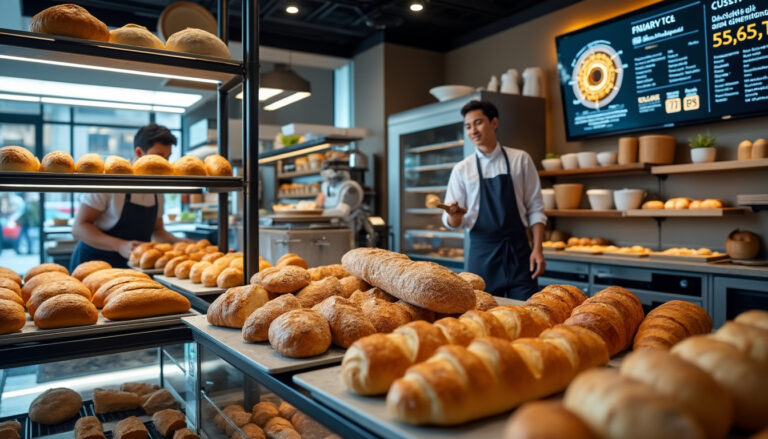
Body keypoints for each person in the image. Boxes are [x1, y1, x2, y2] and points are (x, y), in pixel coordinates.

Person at [442, 100, 547, 299]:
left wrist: (538, 249)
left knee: (527, 313)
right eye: (468, 126)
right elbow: (454, 222)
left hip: (519, 253)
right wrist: (453, 215)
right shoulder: (462, 169)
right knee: (481, 315)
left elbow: (536, 208)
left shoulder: (520, 159)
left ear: (494, 123)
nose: (473, 130)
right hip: (482, 255)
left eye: (478, 122)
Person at [69, 123, 185, 270]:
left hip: (132, 266)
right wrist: (119, 245)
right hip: (94, 263)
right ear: (138, 152)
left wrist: (183, 242)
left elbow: (158, 231)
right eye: (159, 157)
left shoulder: (156, 189)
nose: (163, 164)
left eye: (167, 158)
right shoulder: (112, 179)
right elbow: (79, 228)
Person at [315, 159, 376, 247]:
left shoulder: (350, 188)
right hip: (330, 230)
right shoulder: (325, 186)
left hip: (349, 230)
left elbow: (342, 212)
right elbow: (320, 204)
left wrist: (317, 213)